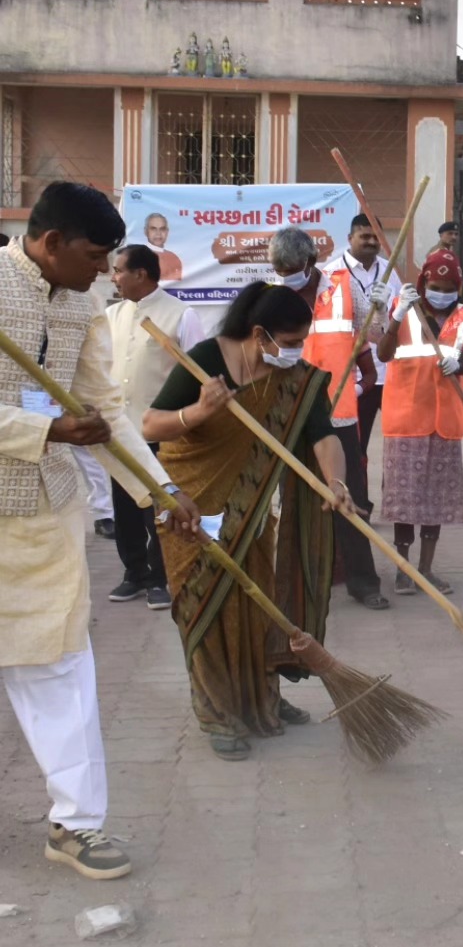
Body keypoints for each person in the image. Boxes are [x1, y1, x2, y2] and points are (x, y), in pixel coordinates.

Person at [1, 183, 201, 876]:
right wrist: (46, 429)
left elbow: (106, 408)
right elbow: (61, 421)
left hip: (45, 516)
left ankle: (76, 825)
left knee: (60, 666)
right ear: (51, 242)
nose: (104, 273)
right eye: (94, 257)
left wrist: (160, 489)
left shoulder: (83, 304)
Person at [145, 282, 354, 760]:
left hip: (251, 508)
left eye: (302, 341)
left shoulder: (295, 378)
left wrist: (336, 483)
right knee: (205, 609)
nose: (297, 351)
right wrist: (200, 410)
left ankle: (263, 699)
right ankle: (217, 714)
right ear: (260, 335)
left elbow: (323, 435)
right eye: (291, 341)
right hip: (189, 507)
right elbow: (150, 425)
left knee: (255, 606)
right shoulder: (206, 360)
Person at [104, 244, 204, 609]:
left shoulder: (181, 315)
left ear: (140, 274)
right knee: (126, 508)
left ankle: (161, 578)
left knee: (161, 509)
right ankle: (134, 573)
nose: (113, 277)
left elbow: (198, 375)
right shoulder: (110, 315)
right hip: (120, 431)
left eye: (118, 270)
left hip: (162, 432)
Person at [376, 250, 463, 597]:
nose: (442, 294)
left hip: (445, 419)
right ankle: (403, 570)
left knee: (436, 499)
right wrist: (396, 316)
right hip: (406, 418)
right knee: (405, 499)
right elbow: (384, 353)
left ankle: (426, 569)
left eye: (449, 289)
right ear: (423, 284)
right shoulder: (405, 309)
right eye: (435, 287)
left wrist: (460, 366)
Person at [303, 231, 391, 612]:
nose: (287, 275)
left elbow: (374, 334)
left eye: (294, 268)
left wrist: (382, 311)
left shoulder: (342, 288)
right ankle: (304, 582)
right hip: (293, 418)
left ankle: (363, 582)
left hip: (338, 417)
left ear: (310, 264)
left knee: (350, 497)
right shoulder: (273, 295)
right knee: (298, 503)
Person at [323, 214, 402, 454]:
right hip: (357, 377)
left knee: (399, 444)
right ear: (350, 238)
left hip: (390, 374)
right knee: (356, 447)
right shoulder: (332, 274)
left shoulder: (390, 271)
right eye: (365, 236)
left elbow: (398, 315)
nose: (371, 241)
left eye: (376, 236)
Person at [143, 213, 183, 282]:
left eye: (162, 229)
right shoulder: (138, 256)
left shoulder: (173, 258)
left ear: (167, 232)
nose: (158, 233)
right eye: (153, 229)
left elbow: (178, 284)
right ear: (146, 231)